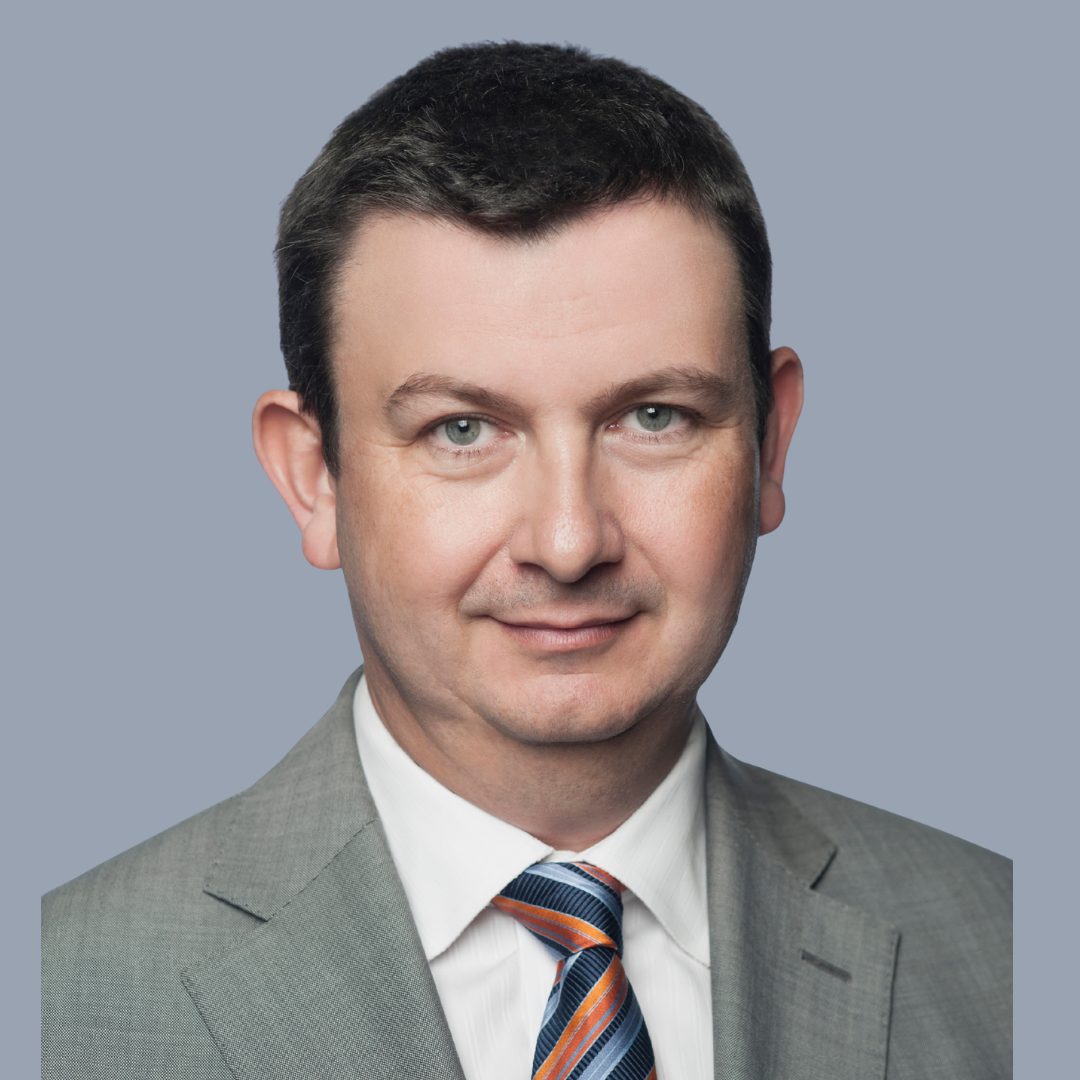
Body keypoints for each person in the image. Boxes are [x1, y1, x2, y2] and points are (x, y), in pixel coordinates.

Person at [41, 42, 1011, 1080]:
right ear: (313, 477)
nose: (567, 540)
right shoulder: (65, 995)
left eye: (654, 416)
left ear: (771, 443)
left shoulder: (1003, 948)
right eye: (463, 430)